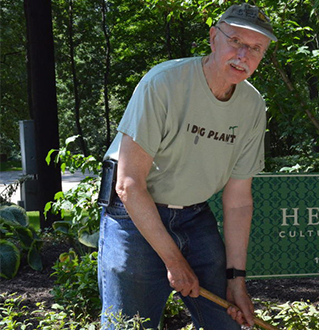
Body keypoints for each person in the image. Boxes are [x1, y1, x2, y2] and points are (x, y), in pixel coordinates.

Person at [98, 3, 276, 329]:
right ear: (213, 37)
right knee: (130, 325)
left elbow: (238, 201)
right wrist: (173, 260)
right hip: (133, 217)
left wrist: (236, 279)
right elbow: (128, 184)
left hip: (194, 215)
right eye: (235, 41)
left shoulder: (252, 106)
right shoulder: (164, 84)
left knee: (226, 322)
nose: (243, 55)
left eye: (255, 48)